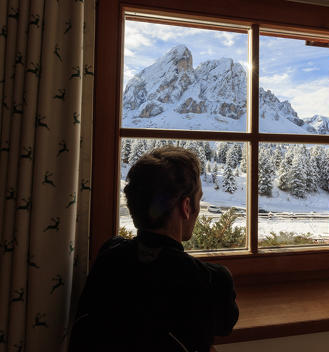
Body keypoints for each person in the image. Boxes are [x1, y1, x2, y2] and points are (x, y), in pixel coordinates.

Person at [69, 146, 239, 352]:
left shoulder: (109, 256)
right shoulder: (211, 281)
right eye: (199, 200)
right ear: (186, 207)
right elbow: (224, 325)